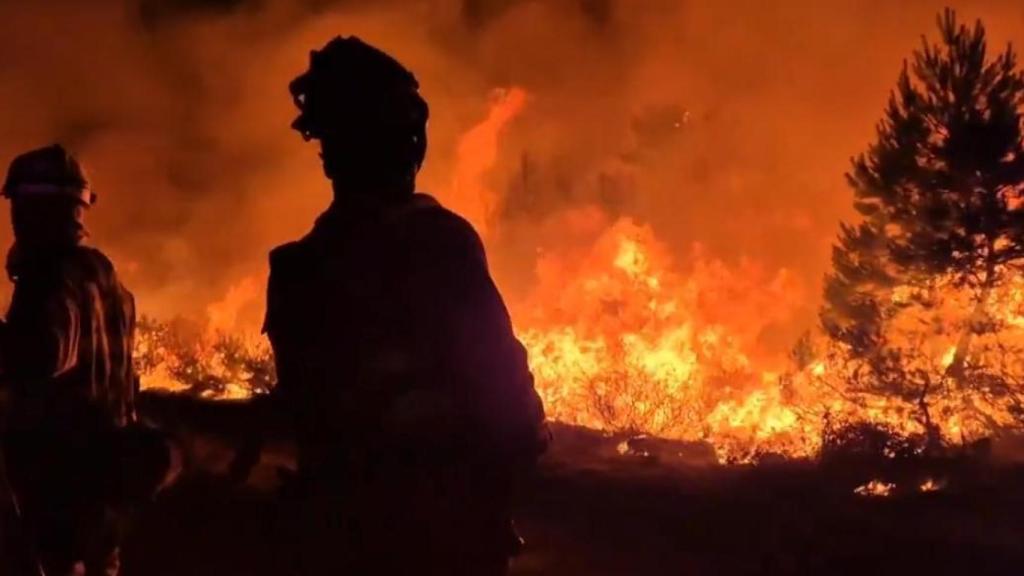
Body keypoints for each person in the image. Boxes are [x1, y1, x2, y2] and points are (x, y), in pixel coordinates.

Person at [261, 37, 548, 575]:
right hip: (442, 533)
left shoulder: (299, 267)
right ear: (409, 145)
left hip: (340, 533)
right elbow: (505, 396)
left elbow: (306, 408)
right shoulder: (439, 243)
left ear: (327, 155)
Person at [0, 145, 161, 576]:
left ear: (36, 209)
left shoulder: (52, 278)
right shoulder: (106, 279)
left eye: (20, 206)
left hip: (58, 481)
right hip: (106, 480)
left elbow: (39, 358)